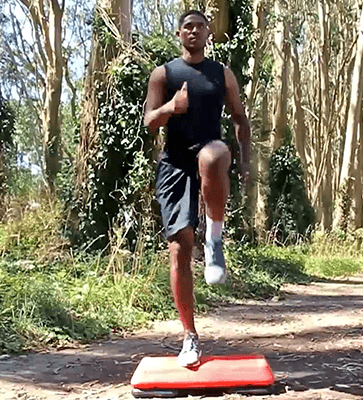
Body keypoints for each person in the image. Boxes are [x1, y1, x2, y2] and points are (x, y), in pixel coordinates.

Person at [144, 10, 250, 367]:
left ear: (208, 33)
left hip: (212, 156)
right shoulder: (165, 74)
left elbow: (239, 118)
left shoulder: (222, 74)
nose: (194, 31)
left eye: (200, 26)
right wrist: (171, 107)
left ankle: (215, 239)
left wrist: (246, 161)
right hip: (174, 166)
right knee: (178, 250)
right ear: (178, 33)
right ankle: (189, 335)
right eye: (187, 26)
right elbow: (148, 122)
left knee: (213, 154)